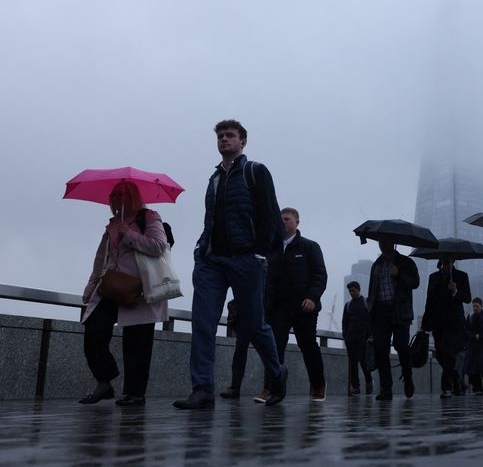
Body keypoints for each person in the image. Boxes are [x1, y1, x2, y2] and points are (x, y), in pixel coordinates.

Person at [174, 119, 286, 409]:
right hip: (212, 261)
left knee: (254, 325)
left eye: (230, 136)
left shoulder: (255, 171)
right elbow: (209, 219)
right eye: (221, 136)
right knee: (202, 322)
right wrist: (201, 249)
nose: (224, 140)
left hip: (247, 260)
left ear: (242, 142)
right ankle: (202, 389)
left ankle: (277, 373)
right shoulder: (214, 180)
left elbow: (271, 215)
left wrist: (262, 254)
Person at [80, 182, 168, 406]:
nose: (117, 199)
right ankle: (105, 381)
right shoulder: (111, 226)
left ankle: (135, 393)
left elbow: (158, 245)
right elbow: (101, 259)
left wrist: (128, 233)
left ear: (134, 197)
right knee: (94, 332)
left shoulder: (149, 217)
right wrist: (91, 287)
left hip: (139, 288)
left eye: (122, 195)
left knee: (137, 343)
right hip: (111, 286)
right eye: (114, 195)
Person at [264, 207, 328, 401]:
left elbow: (320, 275)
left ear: (297, 222)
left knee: (308, 345)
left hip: (304, 306)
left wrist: (312, 297)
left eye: (287, 219)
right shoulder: (271, 249)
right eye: (280, 219)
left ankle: (318, 385)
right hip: (279, 307)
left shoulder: (309, 247)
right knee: (274, 347)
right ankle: (270, 388)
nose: (283, 222)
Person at [366, 239, 420, 400]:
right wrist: (370, 312)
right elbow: (372, 290)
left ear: (393, 243)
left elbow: (415, 283)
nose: (383, 245)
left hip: (399, 310)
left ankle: (407, 376)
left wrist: (399, 274)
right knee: (381, 349)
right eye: (381, 242)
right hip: (380, 311)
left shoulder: (406, 262)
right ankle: (386, 388)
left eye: (386, 242)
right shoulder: (376, 265)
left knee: (401, 345)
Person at [420, 258, 471, 398]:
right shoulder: (433, 277)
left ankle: (446, 387)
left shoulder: (461, 276)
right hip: (438, 322)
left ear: (453, 261)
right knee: (441, 353)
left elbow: (467, 298)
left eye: (449, 260)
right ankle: (456, 378)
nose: (446, 263)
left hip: (454, 323)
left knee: (448, 353)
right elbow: (429, 300)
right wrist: (424, 324)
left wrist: (455, 291)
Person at [342, 281, 373, 395]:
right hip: (351, 338)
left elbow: (370, 320)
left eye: (353, 290)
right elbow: (344, 322)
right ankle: (356, 387)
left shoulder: (365, 302)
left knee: (364, 361)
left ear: (358, 290)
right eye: (349, 291)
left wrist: (370, 336)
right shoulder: (348, 305)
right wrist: (345, 336)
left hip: (364, 338)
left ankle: (369, 381)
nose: (351, 293)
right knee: (353, 363)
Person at [464, 297, 483, 395]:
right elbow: (467, 330)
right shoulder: (470, 317)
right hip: (473, 346)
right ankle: (478, 389)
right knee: (474, 369)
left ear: (481, 306)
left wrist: (480, 336)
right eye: (474, 306)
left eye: (477, 306)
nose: (475, 308)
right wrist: (473, 336)